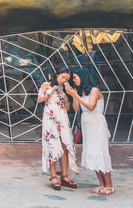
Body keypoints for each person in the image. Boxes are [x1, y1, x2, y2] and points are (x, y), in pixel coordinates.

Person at [66, 67, 114, 195]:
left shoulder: (95, 90)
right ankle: (101, 184)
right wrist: (74, 96)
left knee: (101, 153)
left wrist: (76, 95)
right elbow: (77, 108)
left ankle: (109, 185)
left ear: (83, 77)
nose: (74, 80)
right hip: (88, 129)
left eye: (75, 77)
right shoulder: (83, 93)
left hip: (97, 127)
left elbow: (91, 107)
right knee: (93, 154)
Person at [38, 68, 79, 190]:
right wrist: (51, 92)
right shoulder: (46, 85)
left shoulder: (65, 89)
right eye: (62, 77)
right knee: (52, 146)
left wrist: (65, 97)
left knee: (64, 146)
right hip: (50, 118)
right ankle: (53, 176)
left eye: (66, 79)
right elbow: (40, 99)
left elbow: (67, 108)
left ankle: (64, 176)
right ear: (57, 75)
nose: (64, 80)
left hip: (62, 118)